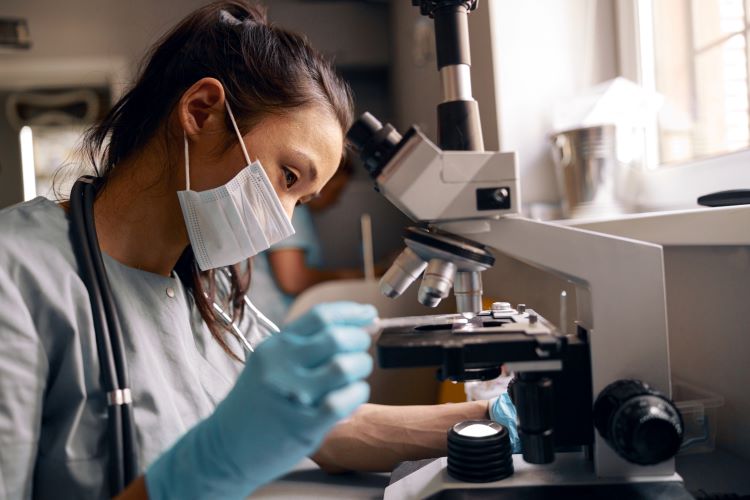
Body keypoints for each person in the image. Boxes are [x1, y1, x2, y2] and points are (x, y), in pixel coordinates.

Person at [0, 2, 515, 499]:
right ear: (201, 112)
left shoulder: (212, 289)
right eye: (289, 176)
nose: (286, 222)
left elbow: (334, 431)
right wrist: (214, 460)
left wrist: (503, 417)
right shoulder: (16, 275)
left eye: (303, 199)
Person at [249, 162, 364, 325]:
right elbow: (293, 279)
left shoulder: (301, 214)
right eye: (337, 190)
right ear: (323, 183)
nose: (337, 200)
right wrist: (355, 276)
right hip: (265, 321)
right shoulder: (294, 209)